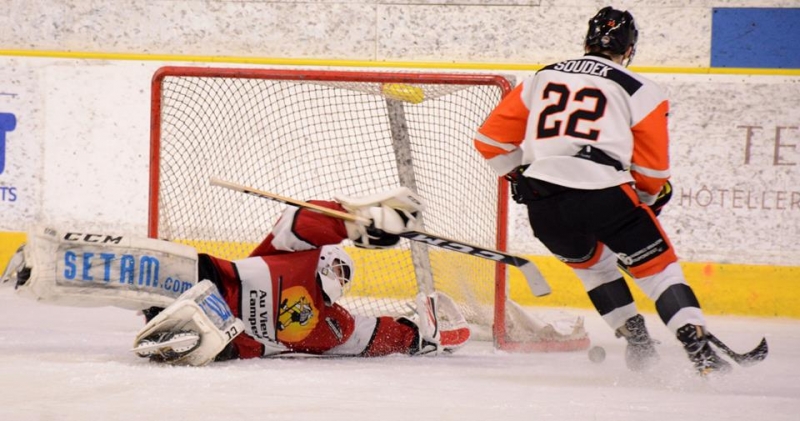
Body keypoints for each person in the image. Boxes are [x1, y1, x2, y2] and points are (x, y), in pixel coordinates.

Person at [473, 6, 731, 375]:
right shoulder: (641, 88)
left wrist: (519, 176)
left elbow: (488, 140)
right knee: (659, 271)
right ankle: (697, 346)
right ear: (629, 50)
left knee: (595, 270)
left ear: (585, 42)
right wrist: (644, 201)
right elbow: (653, 172)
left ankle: (638, 343)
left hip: (543, 205)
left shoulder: (542, 77)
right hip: (604, 194)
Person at [1, 187, 470, 366]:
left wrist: (420, 334)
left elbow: (380, 336)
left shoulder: (334, 325)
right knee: (155, 269)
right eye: (340, 260)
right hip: (203, 283)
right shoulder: (295, 259)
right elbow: (304, 222)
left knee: (202, 316)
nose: (340, 269)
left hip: (221, 337)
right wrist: (357, 220)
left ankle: (177, 335)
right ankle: (46, 263)